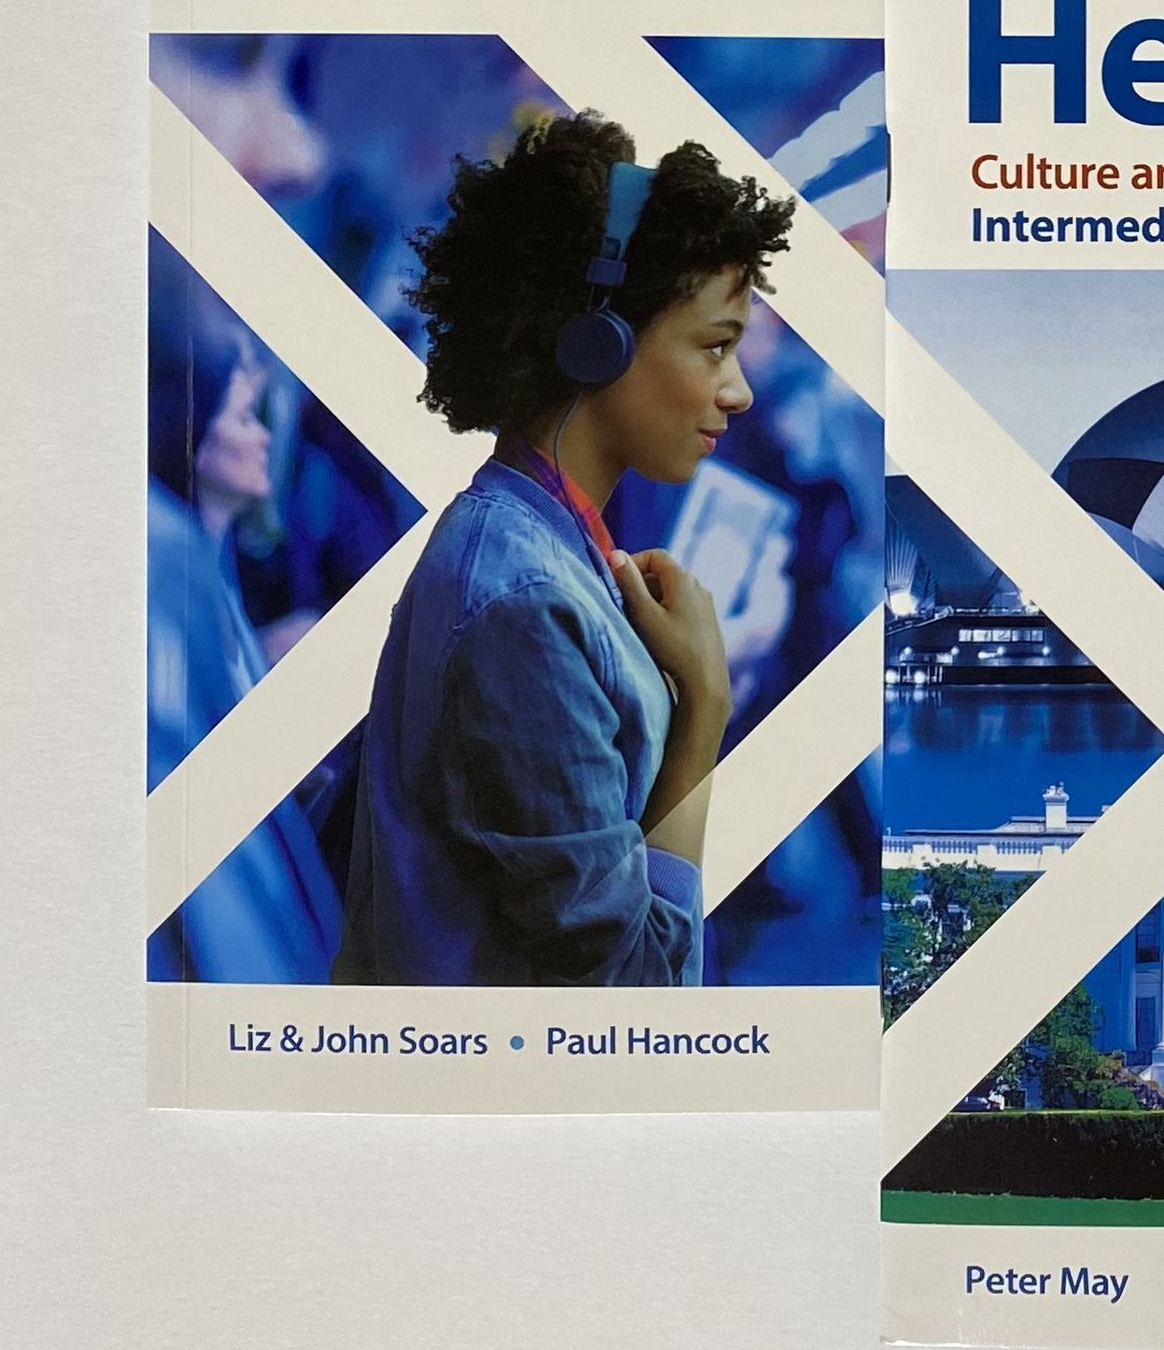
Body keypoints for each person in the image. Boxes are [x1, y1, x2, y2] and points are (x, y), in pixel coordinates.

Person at [331, 112, 792, 986]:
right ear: (597, 346)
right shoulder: (525, 603)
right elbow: (628, 994)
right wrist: (703, 705)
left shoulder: (536, 547)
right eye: (715, 346)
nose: (738, 390)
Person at [146, 237, 347, 981]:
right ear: (190, 428)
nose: (263, 437)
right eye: (241, 416)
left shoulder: (212, 574)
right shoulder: (168, 573)